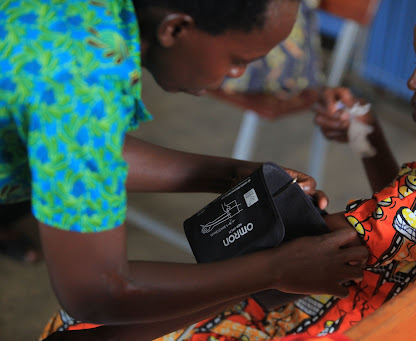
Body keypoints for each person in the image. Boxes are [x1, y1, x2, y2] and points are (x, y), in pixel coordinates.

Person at [40, 0, 416, 340]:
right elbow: (408, 223)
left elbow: (304, 253)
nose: (412, 81)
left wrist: (274, 255)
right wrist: (365, 135)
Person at [0, 0, 370, 340]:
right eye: (237, 59)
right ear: (175, 29)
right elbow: (95, 291)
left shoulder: (93, 19)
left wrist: (232, 175)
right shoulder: (82, 83)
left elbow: (86, 150)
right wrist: (274, 269)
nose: (235, 75)